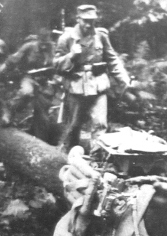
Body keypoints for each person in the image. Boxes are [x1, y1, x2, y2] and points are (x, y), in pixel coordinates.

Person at [53, 4, 131, 153]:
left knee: (100, 124)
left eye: (92, 20)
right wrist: (71, 56)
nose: (89, 24)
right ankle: (67, 156)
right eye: (85, 20)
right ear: (78, 19)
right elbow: (56, 65)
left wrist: (123, 78)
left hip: (98, 84)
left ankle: (97, 158)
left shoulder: (101, 36)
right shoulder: (66, 38)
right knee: (74, 125)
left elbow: (111, 58)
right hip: (76, 86)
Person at [0, 28, 55, 125]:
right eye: (42, 42)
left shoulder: (51, 48)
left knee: (44, 109)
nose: (44, 46)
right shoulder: (29, 47)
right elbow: (9, 62)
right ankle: (9, 109)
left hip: (44, 81)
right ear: (38, 40)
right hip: (29, 77)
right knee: (26, 93)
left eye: (46, 43)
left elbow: (54, 65)